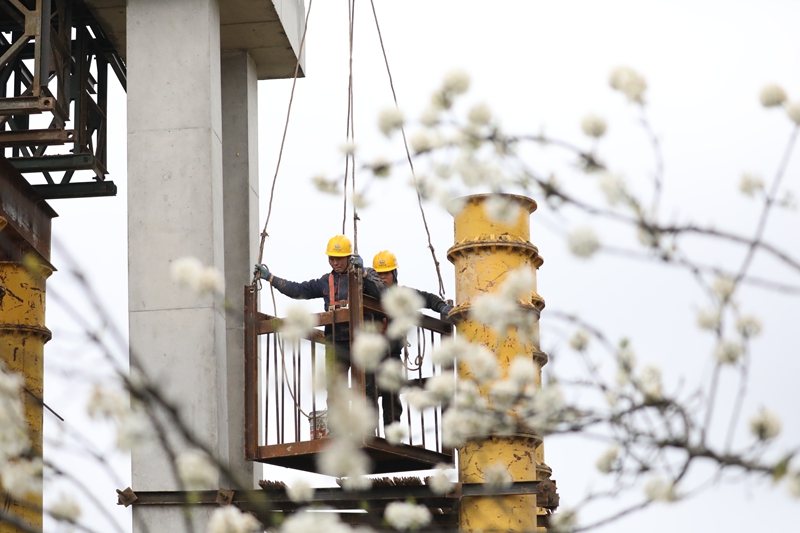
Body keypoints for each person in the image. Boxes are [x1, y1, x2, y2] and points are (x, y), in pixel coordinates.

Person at [253, 234, 385, 379]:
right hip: (336, 342)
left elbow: (382, 293)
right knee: (335, 391)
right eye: (331, 259)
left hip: (362, 340)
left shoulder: (365, 274)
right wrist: (271, 278)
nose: (335, 263)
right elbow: (298, 290)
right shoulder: (326, 281)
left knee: (366, 390)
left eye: (339, 258)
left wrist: (364, 274)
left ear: (349, 258)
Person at [371, 250, 455, 426]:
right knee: (368, 392)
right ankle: (368, 433)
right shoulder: (367, 294)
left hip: (392, 353)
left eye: (386, 273)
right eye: (378, 274)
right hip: (371, 353)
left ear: (394, 274)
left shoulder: (402, 294)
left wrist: (440, 307)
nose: (382, 277)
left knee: (392, 395)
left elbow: (427, 298)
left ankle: (392, 433)